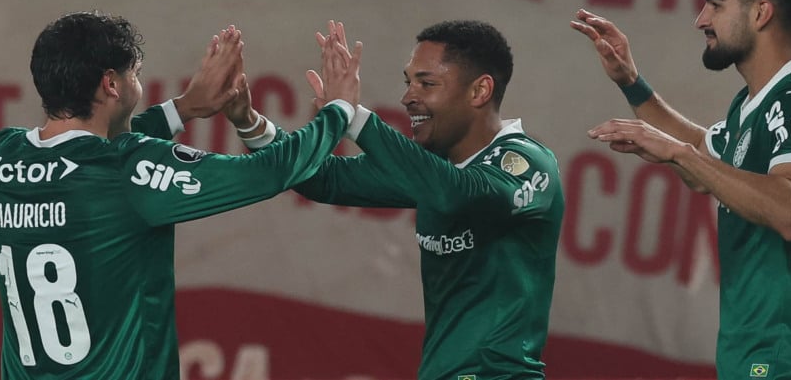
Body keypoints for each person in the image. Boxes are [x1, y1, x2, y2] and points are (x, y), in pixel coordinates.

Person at [0, 11, 361, 379]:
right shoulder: (123, 168)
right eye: (136, 75)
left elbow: (91, 157)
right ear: (111, 84)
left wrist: (184, 108)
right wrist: (340, 108)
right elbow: (267, 171)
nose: (137, 85)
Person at [571, 0, 791, 380]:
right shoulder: (752, 106)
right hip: (753, 357)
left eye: (715, 5)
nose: (700, 19)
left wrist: (678, 153)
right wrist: (631, 82)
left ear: (760, 13)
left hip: (786, 360)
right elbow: (706, 160)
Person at [224, 20, 565, 380]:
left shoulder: (527, 165)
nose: (408, 97)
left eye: (427, 83)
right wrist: (250, 123)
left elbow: (456, 195)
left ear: (479, 91)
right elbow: (324, 179)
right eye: (409, 82)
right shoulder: (435, 169)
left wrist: (353, 116)